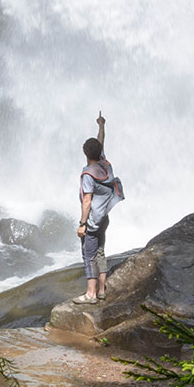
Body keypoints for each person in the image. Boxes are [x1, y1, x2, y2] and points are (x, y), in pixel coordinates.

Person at [74, 111, 123, 305]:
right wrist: (101, 125)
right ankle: (102, 290)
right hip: (104, 217)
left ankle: (91, 294)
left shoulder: (88, 175)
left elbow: (87, 201)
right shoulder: (104, 163)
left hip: (93, 220)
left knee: (88, 254)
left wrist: (82, 224)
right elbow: (100, 141)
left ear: (86, 153)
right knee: (100, 252)